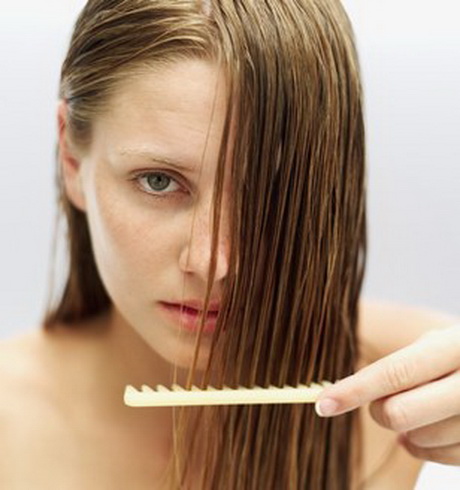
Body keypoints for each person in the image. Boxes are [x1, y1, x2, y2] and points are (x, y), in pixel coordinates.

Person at [0, 0, 459, 488]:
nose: (213, 263)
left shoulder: (434, 397)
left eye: (273, 188)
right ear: (72, 158)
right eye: (157, 181)